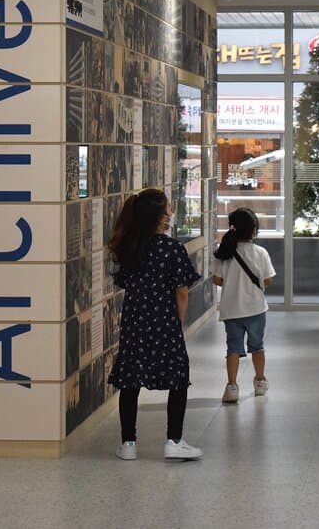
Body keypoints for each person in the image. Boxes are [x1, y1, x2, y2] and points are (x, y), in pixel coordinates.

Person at [108, 189, 204, 461]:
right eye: (167, 208)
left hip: (135, 320)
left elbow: (124, 282)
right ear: (160, 216)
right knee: (178, 377)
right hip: (165, 320)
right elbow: (181, 290)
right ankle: (174, 440)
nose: (171, 212)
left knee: (130, 380)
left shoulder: (129, 247)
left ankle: (128, 443)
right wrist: (178, 320)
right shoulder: (171, 248)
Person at [212, 208, 276, 404]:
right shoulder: (260, 253)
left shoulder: (224, 253)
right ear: (254, 230)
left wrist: (232, 283)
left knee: (233, 348)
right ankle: (260, 381)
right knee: (257, 346)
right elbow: (268, 280)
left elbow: (217, 280)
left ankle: (232, 386)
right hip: (256, 309)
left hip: (231, 310)